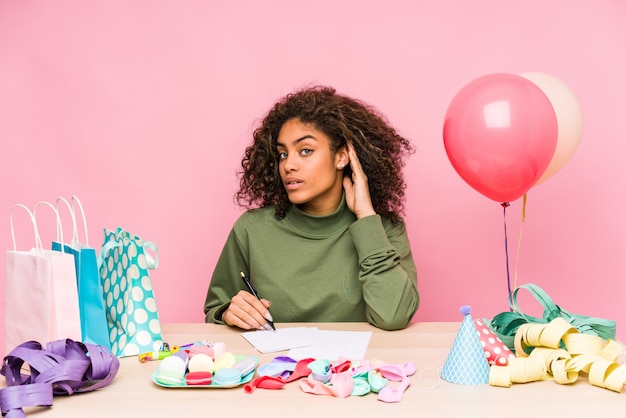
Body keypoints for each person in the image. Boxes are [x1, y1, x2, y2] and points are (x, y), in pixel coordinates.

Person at [203, 85, 419, 331]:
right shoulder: (252, 229)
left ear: (341, 157)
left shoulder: (384, 230)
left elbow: (394, 316)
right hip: (275, 368)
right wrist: (230, 312)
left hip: (355, 369)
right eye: (283, 154)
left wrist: (366, 217)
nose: (289, 165)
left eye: (305, 151)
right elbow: (216, 309)